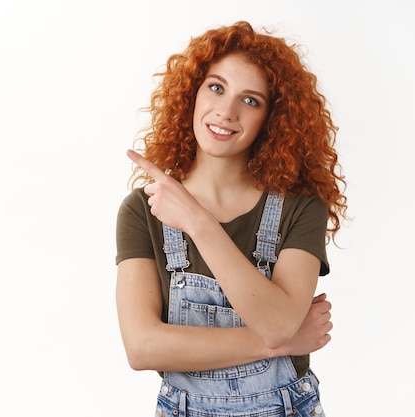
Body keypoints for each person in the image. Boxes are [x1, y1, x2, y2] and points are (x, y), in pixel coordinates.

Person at [115, 21, 348, 417]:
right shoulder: (143, 209)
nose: (226, 111)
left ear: (273, 119)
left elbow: (276, 325)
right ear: (193, 92)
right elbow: (142, 347)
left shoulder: (301, 207)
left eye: (251, 100)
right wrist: (277, 344)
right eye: (217, 87)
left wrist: (198, 222)